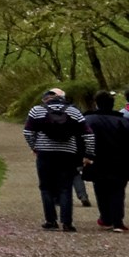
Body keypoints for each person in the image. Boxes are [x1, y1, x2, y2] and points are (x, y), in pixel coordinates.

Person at [24, 87, 89, 231]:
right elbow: (88, 134)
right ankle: (67, 222)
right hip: (67, 153)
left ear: (45, 99)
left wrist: (34, 146)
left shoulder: (37, 110)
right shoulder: (73, 111)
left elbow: (27, 131)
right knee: (65, 187)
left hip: (45, 153)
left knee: (46, 187)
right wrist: (88, 153)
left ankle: (51, 221)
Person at [87, 91, 129, 231]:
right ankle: (117, 220)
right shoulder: (123, 122)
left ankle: (106, 217)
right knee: (118, 190)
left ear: (96, 103)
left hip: (98, 159)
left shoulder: (90, 120)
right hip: (120, 160)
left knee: (101, 188)